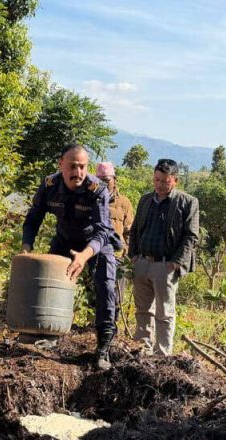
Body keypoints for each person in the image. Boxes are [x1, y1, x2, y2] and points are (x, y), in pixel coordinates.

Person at [22, 144, 117, 370]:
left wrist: (83, 257)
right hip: (65, 240)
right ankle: (49, 334)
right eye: (73, 166)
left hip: (96, 244)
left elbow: (103, 231)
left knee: (106, 288)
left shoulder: (97, 189)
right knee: (49, 283)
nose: (78, 172)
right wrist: (26, 247)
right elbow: (33, 218)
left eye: (82, 166)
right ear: (60, 164)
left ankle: (103, 348)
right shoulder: (49, 186)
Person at [128, 158, 199, 356]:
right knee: (142, 310)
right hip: (142, 262)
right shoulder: (145, 200)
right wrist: (133, 255)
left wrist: (175, 262)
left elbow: (191, 236)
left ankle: (162, 354)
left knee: (164, 313)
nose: (159, 185)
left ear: (175, 180)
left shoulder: (187, 202)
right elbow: (134, 230)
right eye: (157, 180)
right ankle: (142, 349)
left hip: (165, 266)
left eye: (165, 181)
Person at [95, 161, 134, 301]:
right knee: (95, 297)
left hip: (118, 258)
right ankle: (91, 324)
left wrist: (127, 256)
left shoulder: (124, 203)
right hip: (95, 256)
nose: (104, 184)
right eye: (100, 181)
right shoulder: (90, 200)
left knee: (116, 298)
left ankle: (114, 322)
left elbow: (129, 232)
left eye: (107, 180)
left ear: (114, 180)